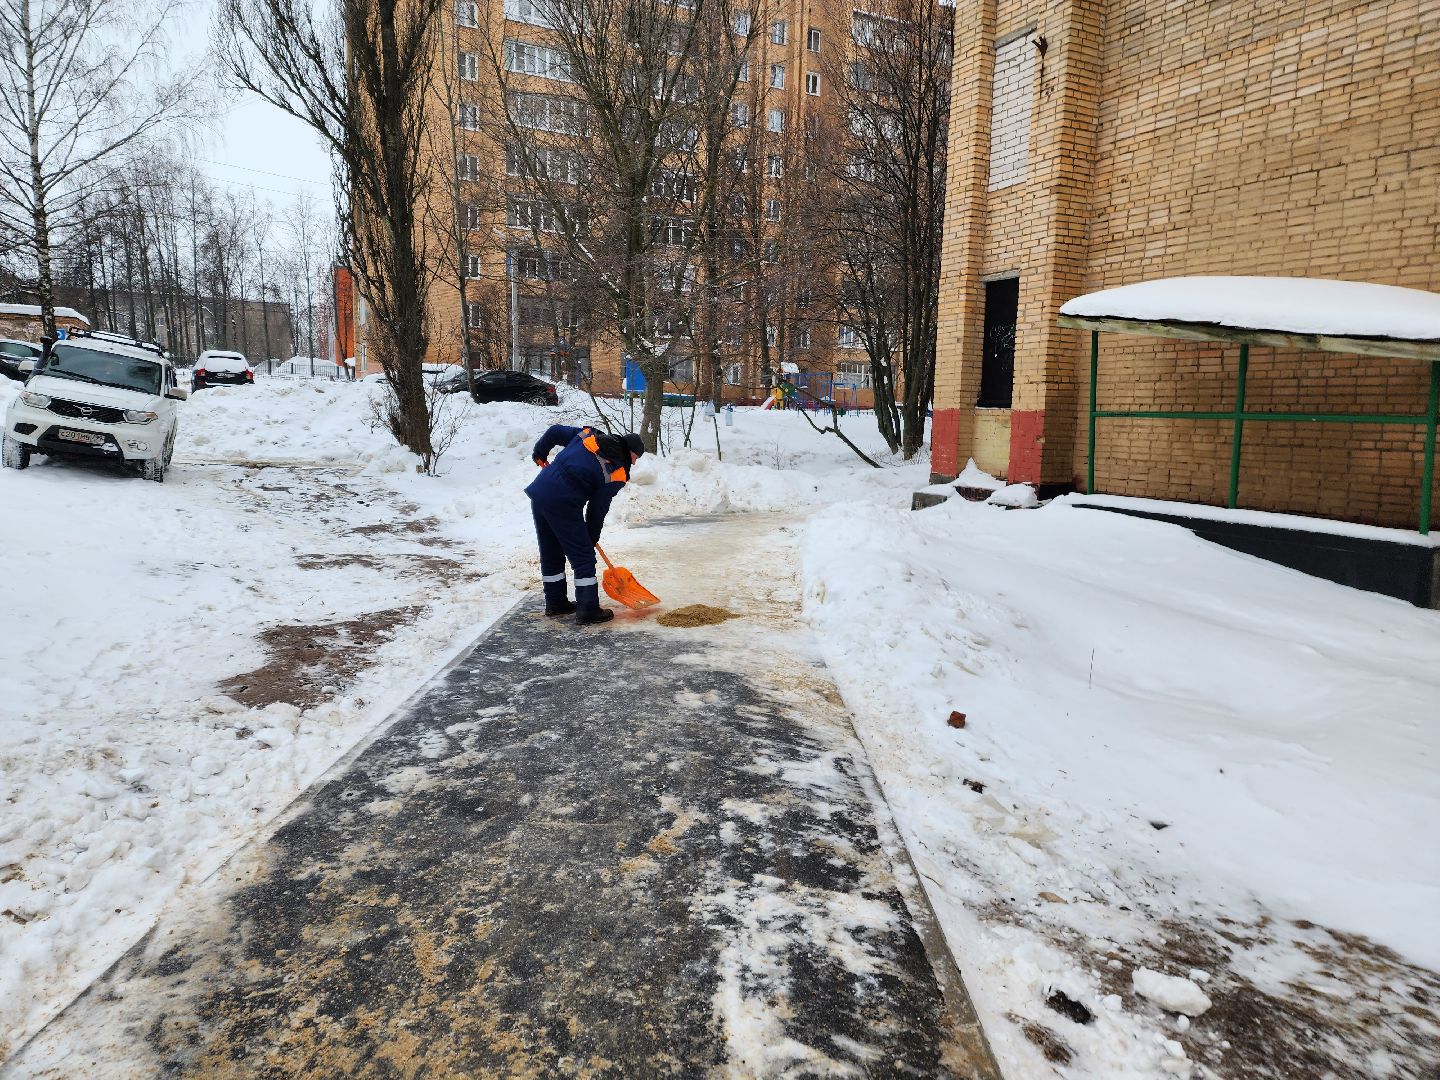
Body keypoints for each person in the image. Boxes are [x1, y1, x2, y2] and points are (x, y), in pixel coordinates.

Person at [526, 425, 645, 625]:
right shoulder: (616, 471)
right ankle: (588, 610)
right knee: (584, 557)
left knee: (551, 551)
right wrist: (591, 536)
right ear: (629, 452)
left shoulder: (588, 435)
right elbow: (598, 508)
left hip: (541, 492)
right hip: (563, 501)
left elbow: (555, 431)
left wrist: (540, 452)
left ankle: (556, 603)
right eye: (635, 457)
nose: (634, 461)